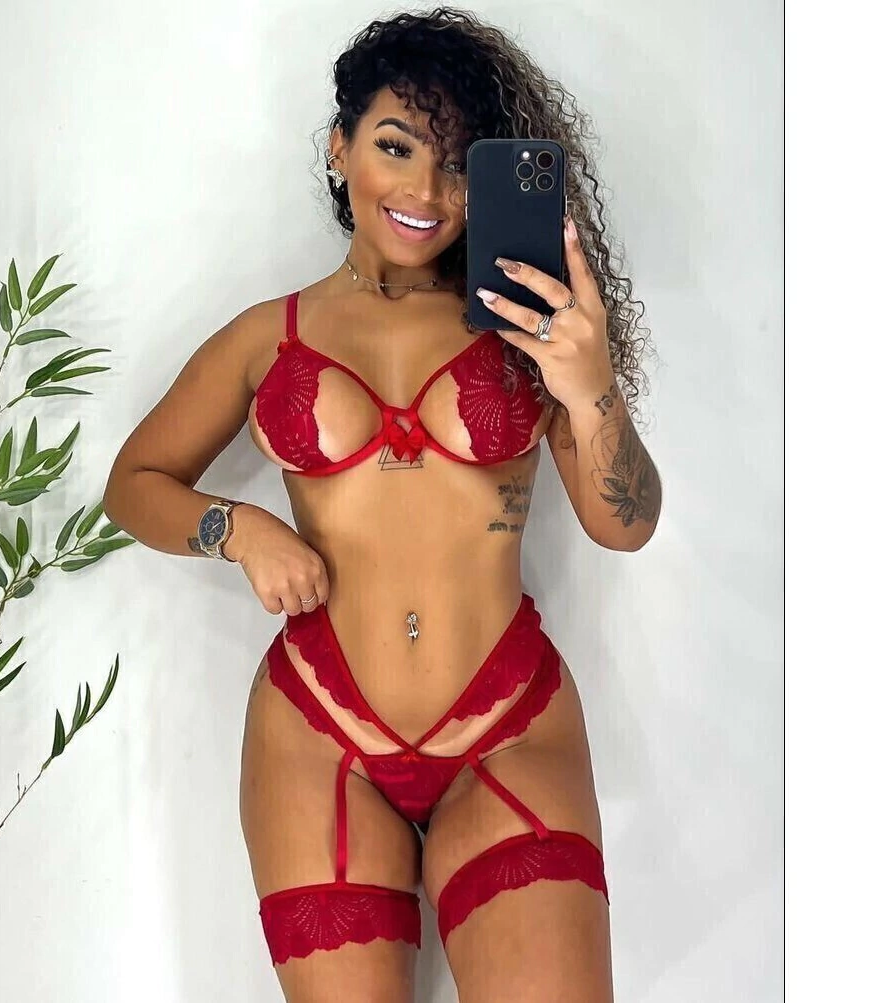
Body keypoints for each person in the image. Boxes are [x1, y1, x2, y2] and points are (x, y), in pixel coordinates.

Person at [104, 7, 660, 1001]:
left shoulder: (533, 330)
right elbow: (133, 484)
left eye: (456, 166)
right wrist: (240, 528)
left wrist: (591, 388)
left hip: (507, 724)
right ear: (339, 147)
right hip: (317, 733)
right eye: (395, 148)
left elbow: (626, 525)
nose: (424, 193)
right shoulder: (267, 334)